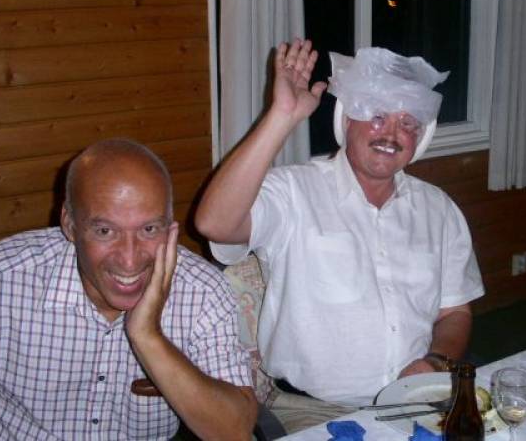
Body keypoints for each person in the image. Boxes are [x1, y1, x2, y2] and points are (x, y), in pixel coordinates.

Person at [195, 39, 484, 432]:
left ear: (421, 136)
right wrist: (281, 116)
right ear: (347, 120)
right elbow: (214, 223)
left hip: (417, 401)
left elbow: (455, 312)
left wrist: (435, 362)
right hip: (314, 411)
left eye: (407, 123)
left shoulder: (439, 210)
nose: (391, 134)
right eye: (377, 116)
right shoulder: (294, 191)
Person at [0, 139, 257, 440]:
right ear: (70, 225)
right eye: (105, 231)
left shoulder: (201, 292)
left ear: (170, 227)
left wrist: (148, 337)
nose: (130, 260)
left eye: (149, 229)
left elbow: (234, 431)